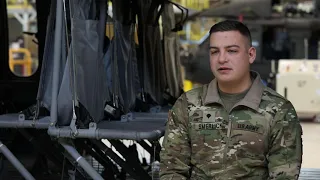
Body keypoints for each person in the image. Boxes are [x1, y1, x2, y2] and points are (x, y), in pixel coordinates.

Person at [159, 20, 302, 180]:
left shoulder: (279, 111)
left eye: (231, 51)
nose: (221, 59)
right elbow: (172, 170)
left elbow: (284, 176)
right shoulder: (188, 104)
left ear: (251, 55)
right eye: (214, 52)